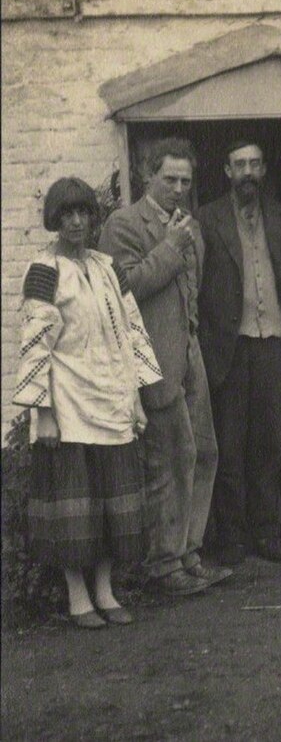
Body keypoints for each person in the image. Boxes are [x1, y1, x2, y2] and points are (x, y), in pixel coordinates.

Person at [13, 177, 163, 629]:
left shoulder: (107, 267)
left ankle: (106, 591)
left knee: (113, 503)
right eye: (67, 215)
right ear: (55, 222)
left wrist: (135, 398)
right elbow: (35, 342)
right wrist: (45, 412)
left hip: (111, 397)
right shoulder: (44, 270)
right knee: (75, 508)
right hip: (70, 404)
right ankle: (79, 598)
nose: (76, 222)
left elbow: (132, 331)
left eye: (83, 213)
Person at [99, 138, 231, 595]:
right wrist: (173, 246)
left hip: (189, 352)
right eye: (170, 179)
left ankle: (189, 552)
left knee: (204, 452)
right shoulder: (123, 224)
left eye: (186, 181)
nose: (179, 188)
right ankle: (163, 564)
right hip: (151, 358)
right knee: (168, 459)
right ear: (147, 177)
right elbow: (124, 287)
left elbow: (194, 285)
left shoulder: (186, 225)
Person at [198, 139, 281, 565]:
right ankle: (233, 536)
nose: (248, 173)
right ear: (226, 170)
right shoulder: (206, 217)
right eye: (240, 164)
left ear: (263, 170)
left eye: (255, 164)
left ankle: (267, 531)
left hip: (273, 339)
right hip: (229, 344)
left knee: (269, 442)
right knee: (232, 442)